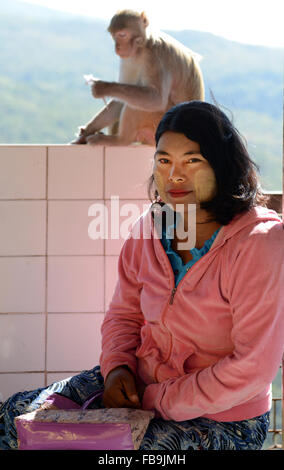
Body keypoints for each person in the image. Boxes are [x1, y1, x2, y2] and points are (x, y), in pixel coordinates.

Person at [1, 101, 283, 450]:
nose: (174, 175)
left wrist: (157, 399)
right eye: (164, 161)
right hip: (139, 387)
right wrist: (117, 368)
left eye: (192, 161)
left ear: (222, 165)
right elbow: (124, 315)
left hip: (224, 419)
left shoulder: (260, 243)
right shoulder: (150, 229)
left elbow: (253, 366)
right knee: (14, 417)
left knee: (107, 451)